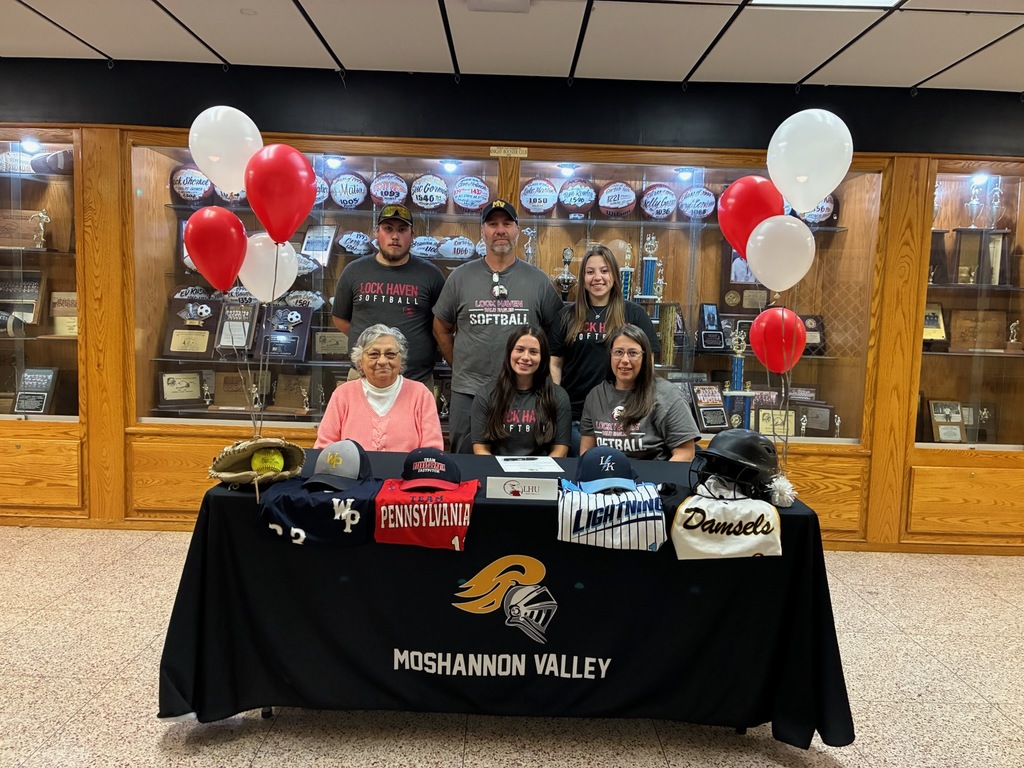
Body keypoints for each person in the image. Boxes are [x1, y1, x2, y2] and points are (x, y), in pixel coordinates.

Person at [433, 199, 564, 453]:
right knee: (466, 465)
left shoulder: (538, 280)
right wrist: (460, 364)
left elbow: (556, 333)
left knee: (518, 471)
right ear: (482, 231)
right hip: (468, 391)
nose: (500, 230)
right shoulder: (460, 277)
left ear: (517, 230)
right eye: (492, 224)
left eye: (507, 223)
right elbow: (440, 327)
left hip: (523, 396)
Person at [549, 244, 660, 455]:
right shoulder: (566, 316)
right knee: (579, 479)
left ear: (615, 276)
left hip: (624, 417)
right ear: (583, 278)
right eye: (590, 272)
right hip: (575, 416)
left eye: (604, 270)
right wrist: (558, 404)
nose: (597, 277)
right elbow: (554, 364)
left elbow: (648, 365)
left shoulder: (635, 315)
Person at [332, 204, 445, 388]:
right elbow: (340, 318)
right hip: (363, 378)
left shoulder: (431, 275)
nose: (395, 236)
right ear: (377, 232)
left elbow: (443, 324)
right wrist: (368, 340)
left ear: (412, 236)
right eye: (388, 229)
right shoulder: (354, 271)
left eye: (402, 230)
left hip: (415, 380)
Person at [315, 324, 443, 452]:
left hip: (406, 472)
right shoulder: (343, 395)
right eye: (374, 354)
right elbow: (324, 448)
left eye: (390, 354)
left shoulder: (420, 394)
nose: (382, 361)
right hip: (352, 472)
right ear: (360, 361)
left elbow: (432, 451)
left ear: (401, 359)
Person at [580, 324, 699, 461]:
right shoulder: (596, 396)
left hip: (652, 479)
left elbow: (685, 453)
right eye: (618, 352)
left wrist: (659, 482)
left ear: (645, 358)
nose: (624, 360)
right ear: (610, 355)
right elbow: (587, 451)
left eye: (633, 353)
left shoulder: (668, 395)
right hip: (606, 478)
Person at [471, 325, 571, 457]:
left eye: (533, 352)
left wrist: (539, 475)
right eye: (519, 349)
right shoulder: (486, 395)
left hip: (542, 471)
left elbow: (560, 450)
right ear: (509, 352)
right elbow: (480, 449)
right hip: (497, 471)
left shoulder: (558, 396)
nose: (525, 357)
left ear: (543, 358)